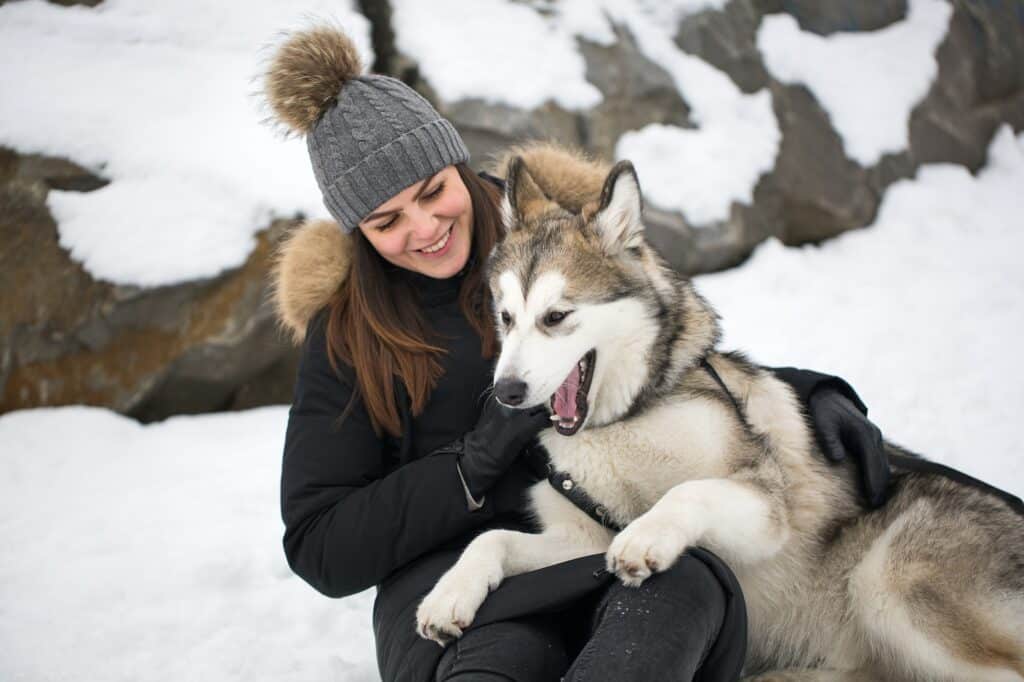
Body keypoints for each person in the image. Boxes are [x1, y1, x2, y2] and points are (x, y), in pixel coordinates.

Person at [264, 25, 890, 682]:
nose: (424, 229)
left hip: (611, 541)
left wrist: (807, 392)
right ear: (358, 232)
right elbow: (320, 544)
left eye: (431, 192)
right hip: (460, 585)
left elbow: (655, 349)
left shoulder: (563, 238)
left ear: (456, 163)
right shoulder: (347, 337)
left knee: (680, 590)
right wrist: (469, 466)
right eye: (387, 221)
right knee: (501, 664)